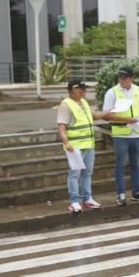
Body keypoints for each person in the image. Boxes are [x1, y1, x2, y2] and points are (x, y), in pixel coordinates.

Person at [102, 66, 139, 205]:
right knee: (120, 164)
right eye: (120, 77)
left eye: (124, 77)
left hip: (136, 132)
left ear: (131, 78)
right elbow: (106, 115)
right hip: (121, 134)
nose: (121, 80)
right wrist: (125, 120)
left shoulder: (138, 90)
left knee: (135, 163)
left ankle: (136, 191)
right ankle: (121, 193)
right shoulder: (112, 92)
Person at [57, 78, 101, 214]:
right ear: (73, 89)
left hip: (88, 144)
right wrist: (66, 142)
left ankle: (87, 198)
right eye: (81, 88)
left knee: (87, 173)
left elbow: (91, 117)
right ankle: (74, 201)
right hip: (74, 146)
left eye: (84, 88)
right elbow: (61, 127)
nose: (84, 91)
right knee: (74, 174)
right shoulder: (66, 105)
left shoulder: (84, 103)